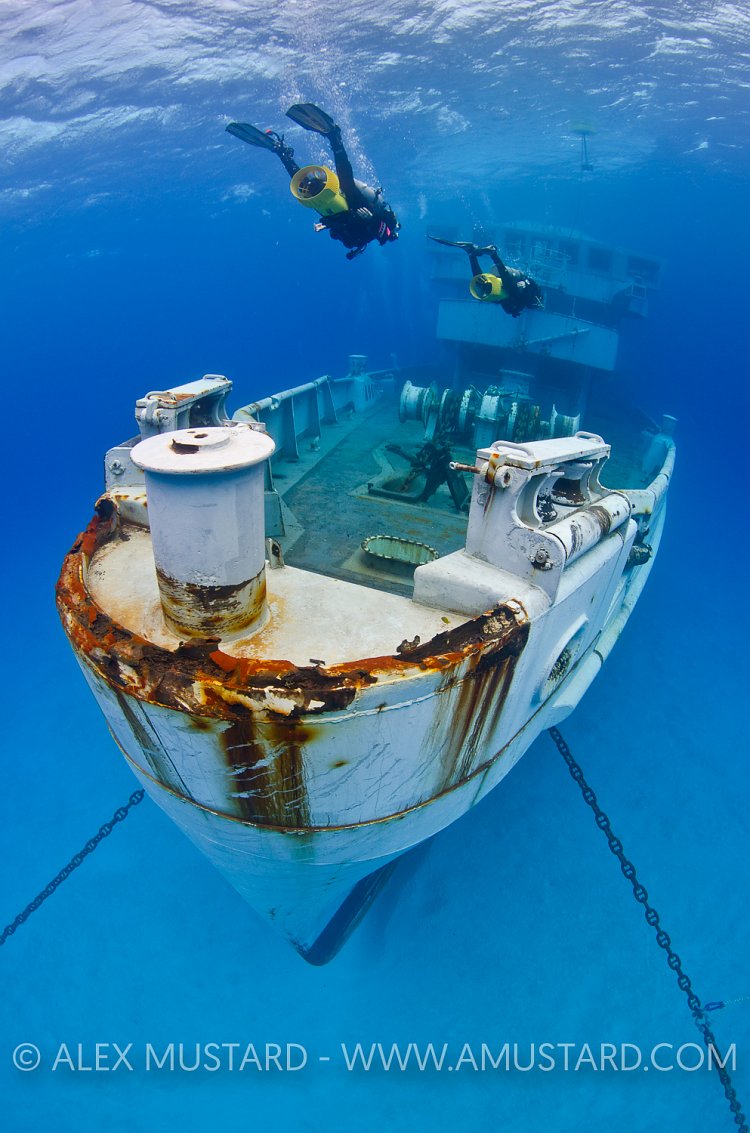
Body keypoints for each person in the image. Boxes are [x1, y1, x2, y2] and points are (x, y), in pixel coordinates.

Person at [227, 103, 400, 260]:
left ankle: (281, 152)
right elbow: (386, 226)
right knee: (346, 186)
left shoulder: (353, 237)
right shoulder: (381, 228)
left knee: (305, 188)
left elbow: (339, 233)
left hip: (334, 207)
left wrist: (332, 225)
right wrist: (371, 219)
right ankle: (334, 138)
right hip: (359, 202)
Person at [428, 236, 543, 317]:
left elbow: (504, 302)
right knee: (510, 288)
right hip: (509, 276)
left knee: (481, 284)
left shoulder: (517, 303)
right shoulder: (531, 293)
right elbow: (526, 284)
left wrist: (512, 310)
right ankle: (493, 254)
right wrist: (523, 284)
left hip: (497, 281)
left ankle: (471, 253)